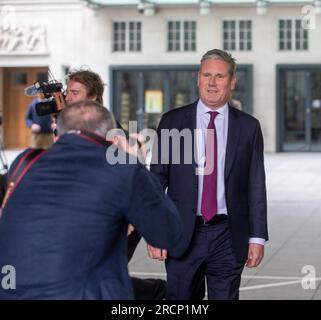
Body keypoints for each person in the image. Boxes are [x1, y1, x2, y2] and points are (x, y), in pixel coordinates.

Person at [0, 100, 182, 300]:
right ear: (112, 138)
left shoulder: (25, 161)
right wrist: (133, 162)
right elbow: (169, 235)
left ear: (58, 132)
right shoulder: (122, 170)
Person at [149, 49, 268, 300]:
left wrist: (257, 237)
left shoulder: (248, 127)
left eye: (220, 76)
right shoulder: (173, 122)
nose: (212, 83)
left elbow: (255, 184)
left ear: (232, 81)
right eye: (207, 75)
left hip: (229, 234)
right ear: (198, 78)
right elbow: (157, 180)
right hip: (182, 233)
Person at [65, 69, 167, 299]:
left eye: (74, 92)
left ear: (92, 97)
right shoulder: (70, 128)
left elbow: (133, 175)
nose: (68, 97)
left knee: (99, 276)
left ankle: (157, 292)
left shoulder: (110, 131)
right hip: (93, 217)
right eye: (67, 92)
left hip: (122, 217)